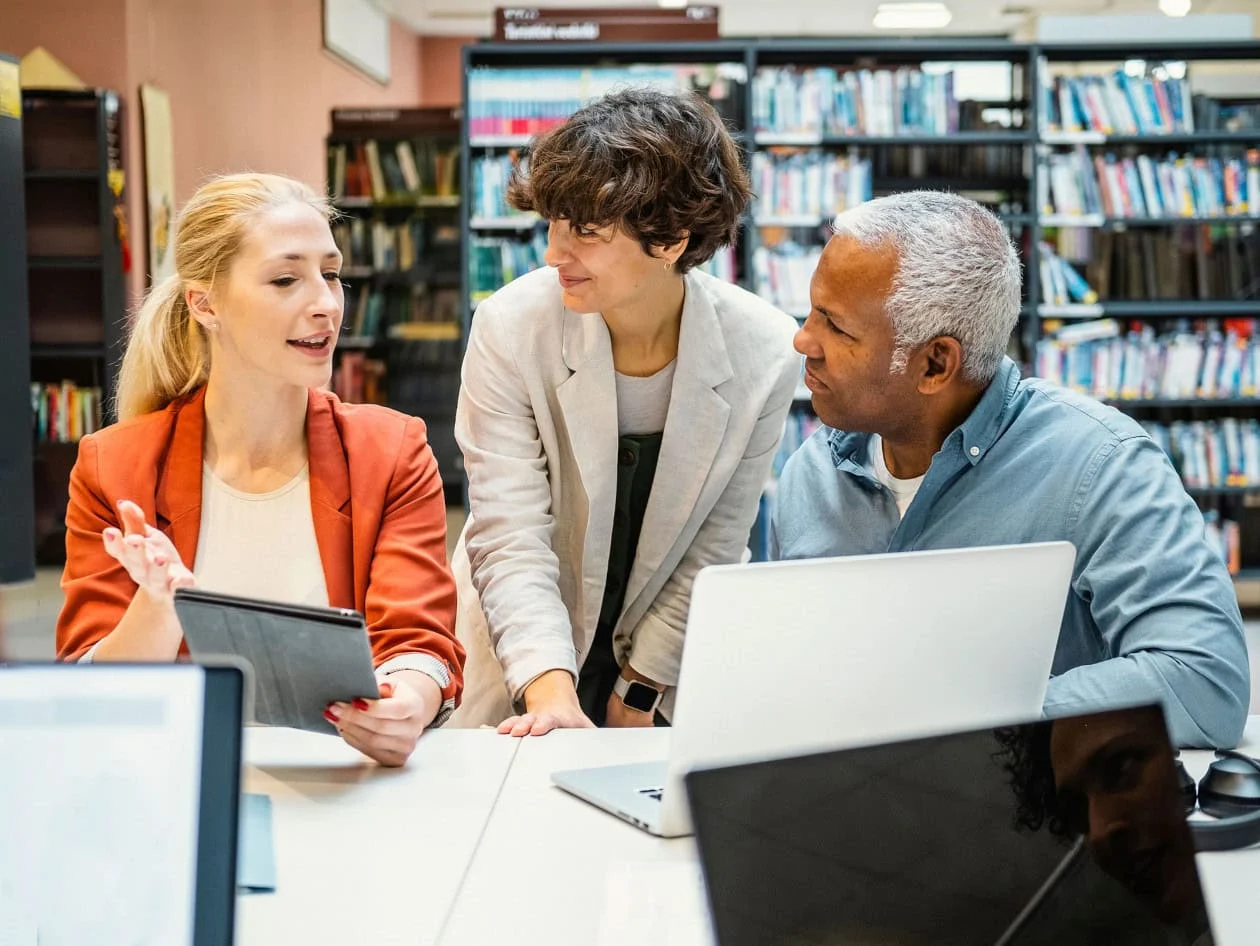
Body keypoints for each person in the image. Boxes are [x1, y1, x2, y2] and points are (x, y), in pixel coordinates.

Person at [773, 189, 1249, 749]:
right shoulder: (812, 472)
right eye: (812, 311)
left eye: (836, 326)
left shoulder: (1101, 467)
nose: (803, 339)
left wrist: (975, 723)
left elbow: (1205, 681)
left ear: (935, 363)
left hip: (1023, 814)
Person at [55, 173, 463, 766]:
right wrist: (158, 605)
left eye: (331, 273)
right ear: (205, 303)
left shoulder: (392, 450)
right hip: (179, 783)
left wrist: (410, 702)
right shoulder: (113, 465)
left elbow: (417, 639)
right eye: (285, 279)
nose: (326, 303)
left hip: (346, 793)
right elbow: (89, 690)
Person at [450, 88, 800, 734]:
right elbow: (509, 531)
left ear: (670, 239)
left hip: (660, 657)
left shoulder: (767, 352)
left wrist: (637, 691)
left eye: (584, 230)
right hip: (522, 647)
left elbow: (715, 545)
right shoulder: (510, 327)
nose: (554, 254)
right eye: (553, 222)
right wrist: (551, 697)